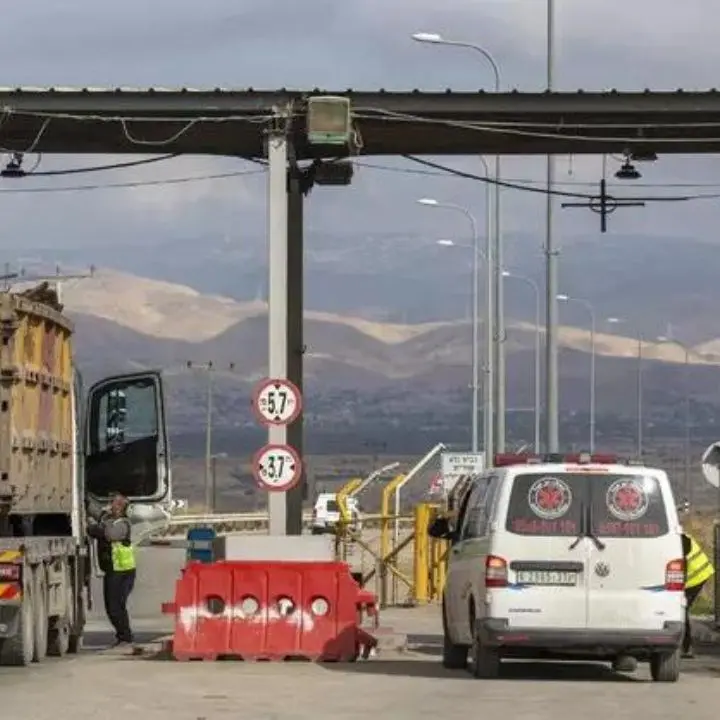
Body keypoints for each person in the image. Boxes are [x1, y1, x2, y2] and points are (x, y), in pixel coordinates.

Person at [87, 493, 136, 648]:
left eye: (113, 503)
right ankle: (123, 636)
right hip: (113, 570)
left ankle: (125, 637)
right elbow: (96, 512)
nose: (110, 504)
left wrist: (91, 528)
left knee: (116, 607)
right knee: (112, 606)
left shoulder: (122, 524)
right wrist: (85, 499)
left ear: (120, 508)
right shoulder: (109, 519)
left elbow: (108, 534)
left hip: (122, 572)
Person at [681, 532, 714, 658]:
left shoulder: (679, 539)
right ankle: (686, 646)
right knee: (682, 609)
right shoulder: (680, 535)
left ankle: (686, 647)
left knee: (681, 609)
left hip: (696, 576)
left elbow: (681, 563)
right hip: (698, 574)